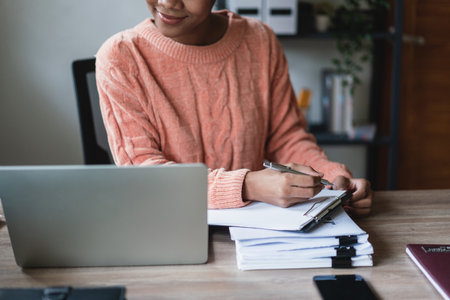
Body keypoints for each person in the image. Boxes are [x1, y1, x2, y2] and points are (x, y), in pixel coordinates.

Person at [95, 0, 373, 216]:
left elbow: (287, 138)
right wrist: (247, 185)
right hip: (168, 228)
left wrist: (334, 178)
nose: (168, 2)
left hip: (261, 231)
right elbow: (145, 175)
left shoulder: (259, 40)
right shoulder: (120, 57)